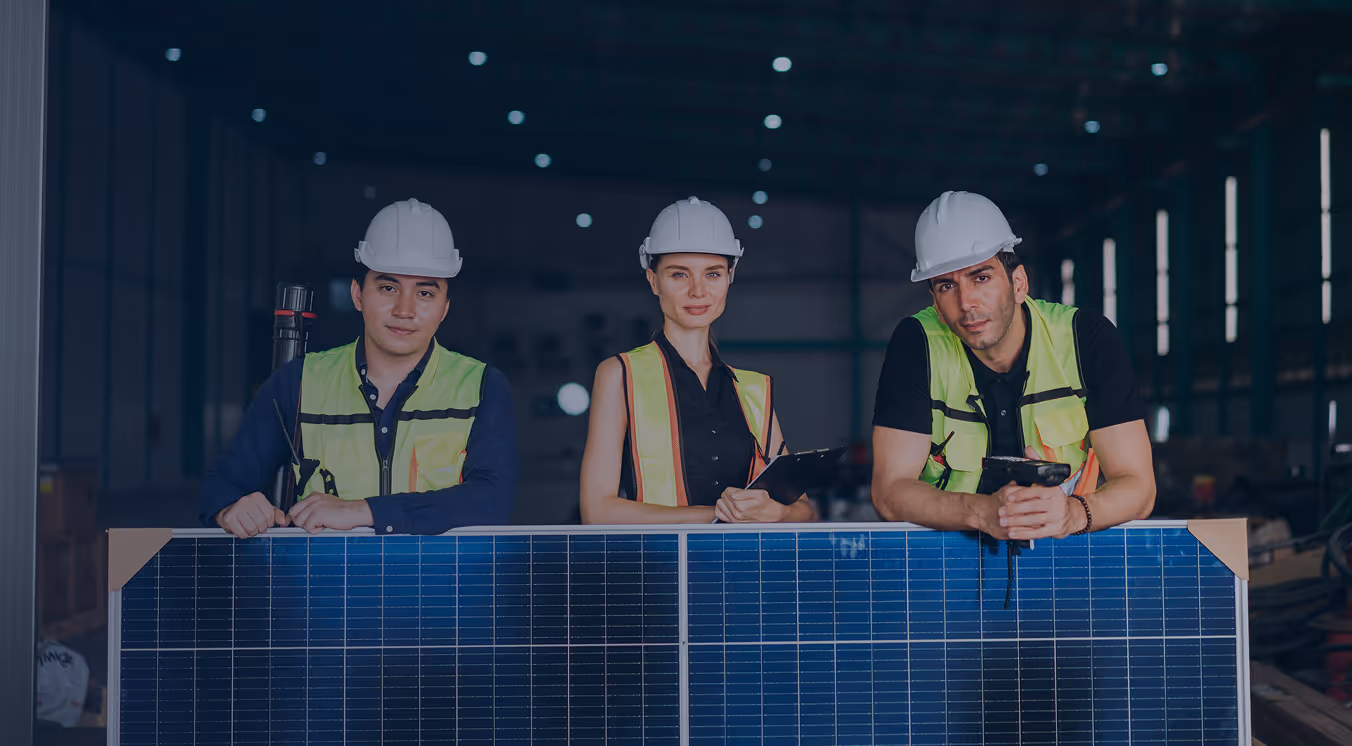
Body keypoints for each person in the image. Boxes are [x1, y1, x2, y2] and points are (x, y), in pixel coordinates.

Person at [198, 198, 518, 537]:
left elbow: (491, 501)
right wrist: (231, 507)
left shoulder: (481, 386)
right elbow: (222, 483)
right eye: (388, 287)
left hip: (441, 587)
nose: (404, 309)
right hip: (326, 588)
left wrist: (363, 511)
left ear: (444, 308)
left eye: (424, 293)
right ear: (357, 295)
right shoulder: (299, 383)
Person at [871, 191, 1155, 540]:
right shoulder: (917, 343)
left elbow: (1139, 488)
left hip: (1066, 554)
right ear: (934, 299)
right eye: (947, 285)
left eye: (981, 277)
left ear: (1018, 283)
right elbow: (889, 492)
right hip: (945, 564)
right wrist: (982, 513)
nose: (966, 303)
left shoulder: (1086, 339)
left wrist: (1072, 515)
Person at [579, 197, 816, 524]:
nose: (698, 291)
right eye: (679, 275)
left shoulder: (753, 389)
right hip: (659, 570)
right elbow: (597, 511)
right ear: (653, 280)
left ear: (730, 277)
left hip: (740, 572)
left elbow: (804, 511)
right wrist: (720, 517)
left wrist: (777, 512)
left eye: (713, 274)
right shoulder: (620, 375)